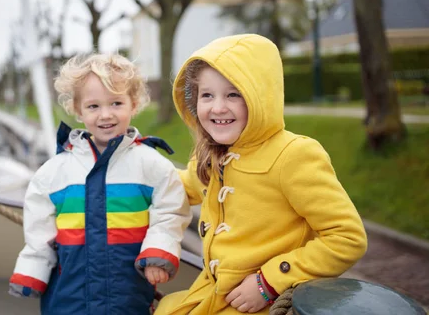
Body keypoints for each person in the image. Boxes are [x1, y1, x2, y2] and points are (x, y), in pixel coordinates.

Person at [155, 34, 368, 314]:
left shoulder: (294, 155)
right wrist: (129, 178)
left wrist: (269, 281)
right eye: (207, 95)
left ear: (261, 96)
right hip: (211, 294)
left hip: (258, 303)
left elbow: (347, 237)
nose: (218, 107)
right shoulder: (210, 155)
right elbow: (181, 187)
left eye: (233, 94)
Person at [9, 53, 192, 315]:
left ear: (134, 104)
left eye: (116, 103)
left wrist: (158, 252)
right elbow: (39, 228)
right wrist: (32, 270)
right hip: (67, 294)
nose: (105, 115)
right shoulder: (54, 172)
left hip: (127, 294)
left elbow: (170, 212)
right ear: (77, 109)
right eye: (93, 106)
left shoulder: (152, 166)